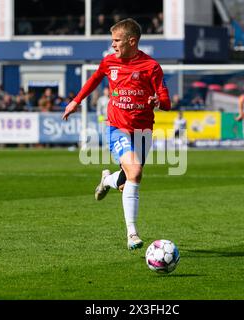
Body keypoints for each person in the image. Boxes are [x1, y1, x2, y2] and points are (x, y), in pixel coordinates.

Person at [62, 18, 171, 250]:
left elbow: (166, 100)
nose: (113, 45)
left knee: (126, 180)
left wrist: (158, 100)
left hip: (143, 131)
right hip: (116, 127)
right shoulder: (109, 62)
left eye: (116, 40)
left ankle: (107, 179)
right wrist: (76, 101)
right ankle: (132, 233)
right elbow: (93, 80)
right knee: (136, 172)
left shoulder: (151, 67)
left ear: (132, 41)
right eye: (112, 40)